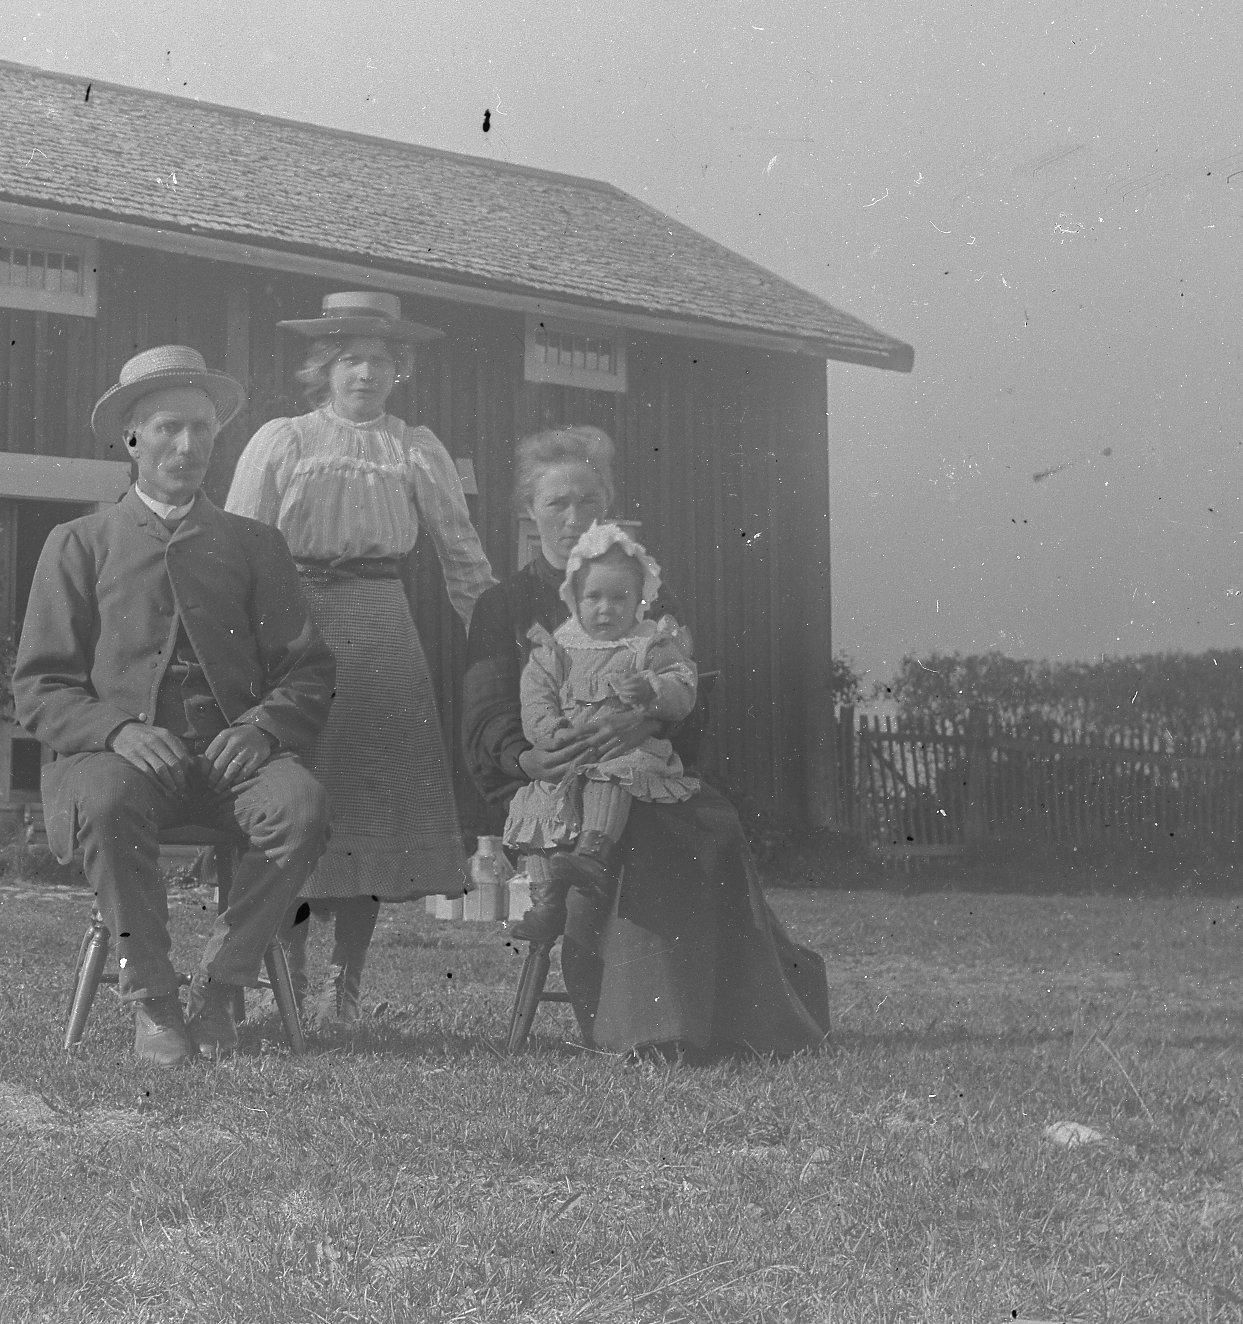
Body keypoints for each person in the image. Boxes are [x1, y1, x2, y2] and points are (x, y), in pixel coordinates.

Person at [14, 344, 338, 1068]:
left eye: (202, 428)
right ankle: (154, 1000)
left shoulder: (254, 546)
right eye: (168, 428)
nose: (187, 446)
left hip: (230, 766)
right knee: (106, 801)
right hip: (117, 764)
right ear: (132, 438)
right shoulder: (80, 544)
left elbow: (307, 670)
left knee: (301, 807)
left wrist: (262, 730)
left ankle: (223, 988)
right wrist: (117, 731)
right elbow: (40, 686)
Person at [460, 426, 830, 1059]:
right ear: (528, 511)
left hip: (643, 768)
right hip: (551, 779)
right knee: (637, 838)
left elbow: (687, 691)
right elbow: (487, 710)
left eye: (588, 501)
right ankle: (650, 1027)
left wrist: (649, 721)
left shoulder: (647, 595)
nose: (574, 518)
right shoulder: (505, 605)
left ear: (607, 508)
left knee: (709, 823)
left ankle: (730, 1017)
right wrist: (530, 756)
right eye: (556, 503)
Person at [225, 290, 497, 1027]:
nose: (366, 374)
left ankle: (344, 986)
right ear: (324, 367)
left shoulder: (414, 447)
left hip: (382, 630)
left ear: (399, 369)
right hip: (295, 628)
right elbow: (237, 552)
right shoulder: (284, 440)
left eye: (381, 360)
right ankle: (288, 976)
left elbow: (463, 555)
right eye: (351, 359)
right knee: (300, 798)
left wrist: (498, 642)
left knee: (373, 806)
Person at [502, 524, 702, 942]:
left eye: (619, 598)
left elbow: (683, 686)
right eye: (593, 597)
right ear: (574, 598)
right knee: (539, 803)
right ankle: (545, 905)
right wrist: (552, 732)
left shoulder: (648, 644)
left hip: (627, 751)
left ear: (640, 600)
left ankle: (594, 852)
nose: (606, 609)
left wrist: (651, 690)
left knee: (611, 776)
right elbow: (536, 696)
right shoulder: (559, 648)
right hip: (572, 752)